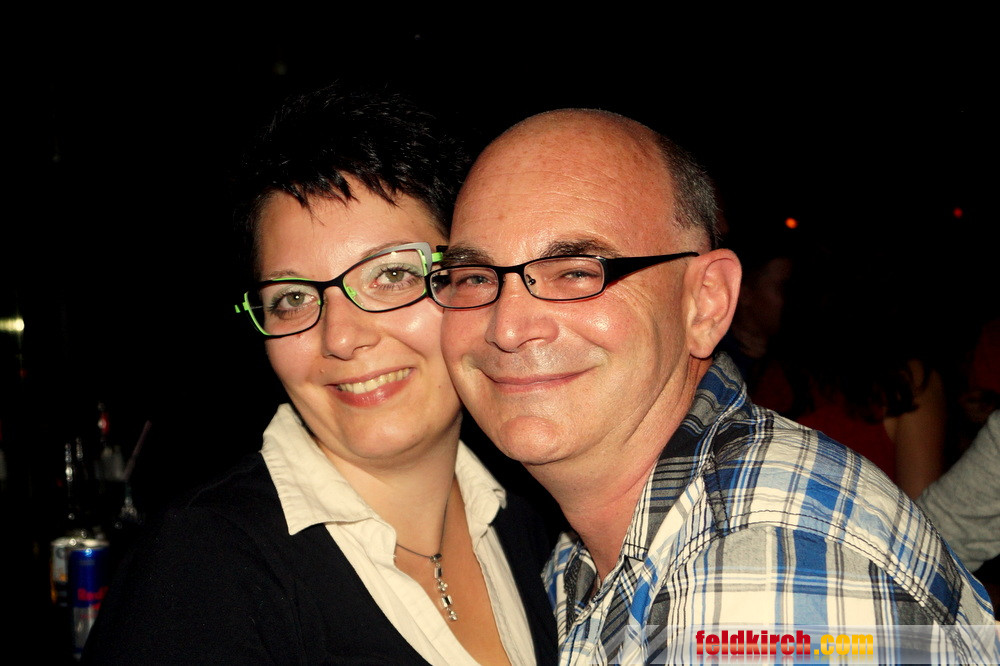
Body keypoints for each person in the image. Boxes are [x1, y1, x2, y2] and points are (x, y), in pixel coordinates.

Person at [428, 108, 999, 663]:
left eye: (577, 271)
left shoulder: (760, 580)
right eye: (474, 277)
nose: (507, 327)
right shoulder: (598, 546)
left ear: (705, 302)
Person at [82, 86, 557, 665]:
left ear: (471, 279)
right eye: (293, 298)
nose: (341, 337)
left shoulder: (543, 527)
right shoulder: (201, 569)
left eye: (391, 275)